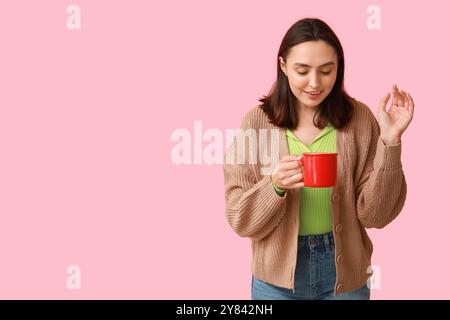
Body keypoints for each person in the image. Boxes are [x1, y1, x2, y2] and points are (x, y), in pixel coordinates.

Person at [223, 18, 414, 300]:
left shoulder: (360, 119)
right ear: (284, 66)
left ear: (339, 66)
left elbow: (377, 215)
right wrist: (274, 185)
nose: (315, 83)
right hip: (274, 278)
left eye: (326, 71)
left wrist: (390, 141)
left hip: (345, 272)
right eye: (302, 70)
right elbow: (239, 218)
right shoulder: (254, 123)